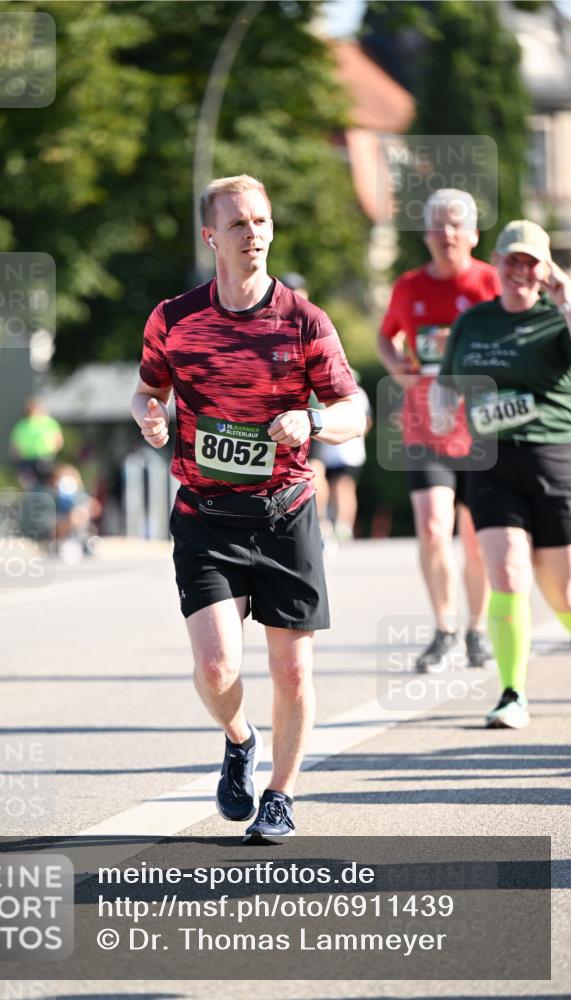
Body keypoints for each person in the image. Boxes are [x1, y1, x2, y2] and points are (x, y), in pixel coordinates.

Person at [131, 174, 365, 841]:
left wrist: (312, 421)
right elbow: (145, 391)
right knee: (215, 668)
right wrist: (149, 417)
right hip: (206, 515)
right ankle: (238, 739)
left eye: (261, 222)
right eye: (237, 224)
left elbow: (356, 410)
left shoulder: (302, 320)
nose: (252, 234)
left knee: (292, 669)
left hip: (285, 511)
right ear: (211, 237)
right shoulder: (174, 319)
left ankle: (281, 797)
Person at [432, 220, 571, 728]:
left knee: (562, 592)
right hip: (490, 460)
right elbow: (448, 381)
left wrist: (567, 300)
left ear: (545, 267)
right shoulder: (476, 321)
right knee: (507, 572)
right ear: (497, 261)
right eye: (511, 259)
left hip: (554, 457)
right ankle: (513, 692)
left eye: (529, 260)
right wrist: (445, 410)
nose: (519, 270)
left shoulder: (558, 317)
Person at [378, 189, 500, 672]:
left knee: (475, 538)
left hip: (481, 431)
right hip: (424, 427)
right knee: (432, 528)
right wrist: (397, 369)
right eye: (437, 225)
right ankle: (445, 628)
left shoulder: (491, 282)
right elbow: (386, 335)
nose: (446, 233)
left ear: (472, 234)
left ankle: (478, 631)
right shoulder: (408, 287)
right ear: (425, 234)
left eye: (456, 224)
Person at [314, 380, 372, 542]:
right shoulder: (320, 390)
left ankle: (343, 526)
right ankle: (328, 522)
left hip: (349, 453)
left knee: (343, 487)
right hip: (328, 451)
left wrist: (349, 433)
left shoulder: (358, 394)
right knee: (328, 486)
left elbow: (365, 422)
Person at [9, 398, 64, 489]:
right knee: (30, 485)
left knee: (46, 484)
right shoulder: (22, 425)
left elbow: (58, 440)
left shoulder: (48, 422)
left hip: (45, 458)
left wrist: (52, 452)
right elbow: (15, 445)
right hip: (27, 460)